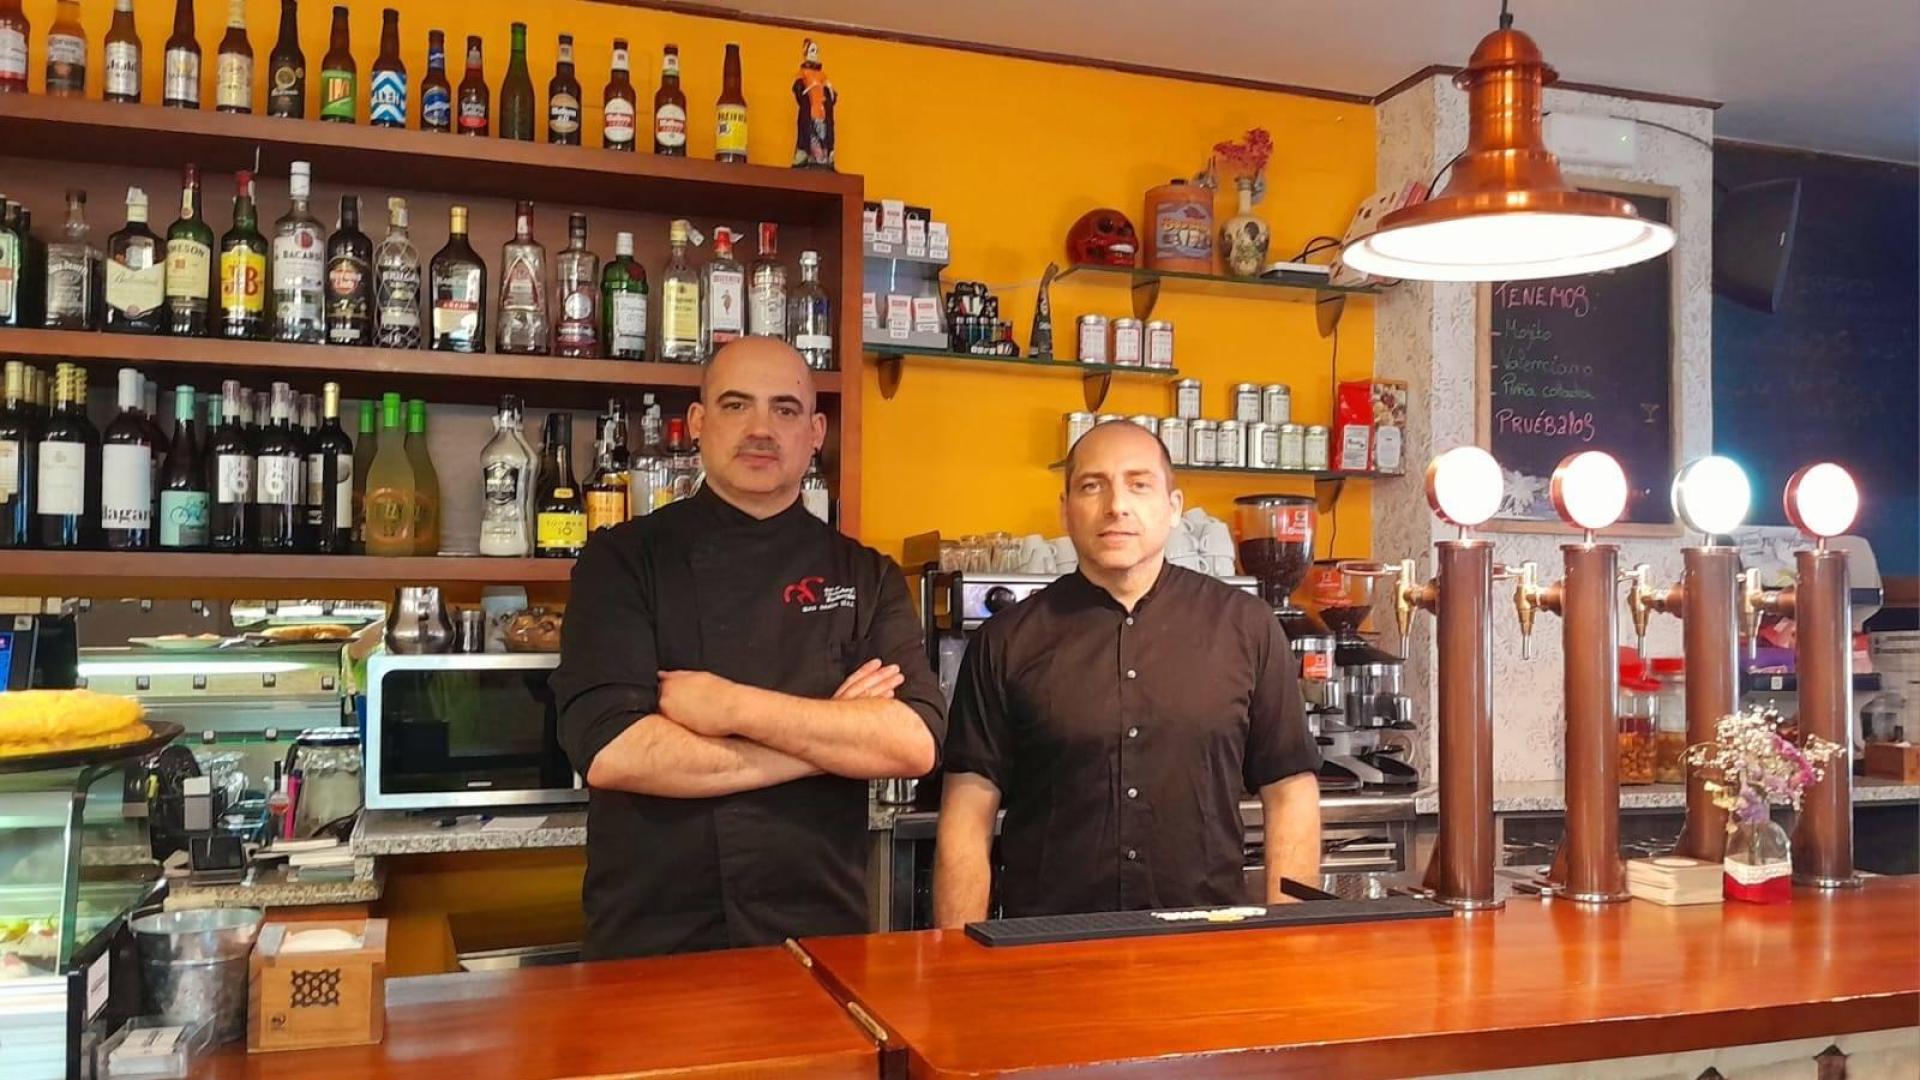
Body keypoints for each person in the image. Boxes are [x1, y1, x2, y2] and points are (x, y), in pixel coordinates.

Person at [552, 337, 944, 959]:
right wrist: (833, 743)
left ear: (816, 432)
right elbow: (613, 749)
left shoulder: (867, 575)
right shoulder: (622, 560)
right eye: (737, 406)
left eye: (785, 410)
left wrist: (731, 706)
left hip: (821, 936)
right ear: (700, 425)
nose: (762, 429)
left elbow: (913, 741)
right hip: (650, 937)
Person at [933, 420, 1321, 925]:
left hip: (1207, 946)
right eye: (1092, 486)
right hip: (1049, 949)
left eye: (1139, 484)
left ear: (1174, 507)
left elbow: (1289, 787)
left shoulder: (1246, 626)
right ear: (1065, 510)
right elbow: (968, 809)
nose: (1116, 505)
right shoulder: (1004, 641)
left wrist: (1290, 937)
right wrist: (958, 960)